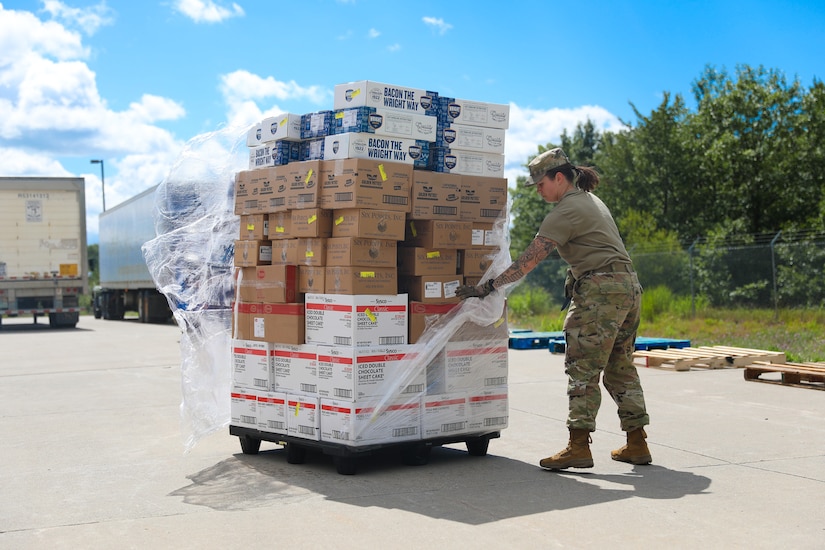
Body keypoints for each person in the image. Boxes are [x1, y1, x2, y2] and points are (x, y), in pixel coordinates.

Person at [456, 147, 652, 470]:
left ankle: (578, 446)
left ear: (558, 178)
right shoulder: (591, 201)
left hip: (601, 292)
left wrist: (486, 287)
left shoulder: (565, 211)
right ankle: (637, 441)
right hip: (628, 289)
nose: (538, 190)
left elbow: (528, 261)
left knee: (582, 367)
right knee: (620, 368)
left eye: (540, 184)